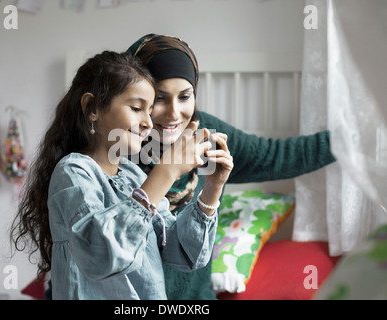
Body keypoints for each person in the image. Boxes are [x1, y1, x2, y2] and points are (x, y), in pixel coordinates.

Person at [125, 33, 337, 300]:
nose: (173, 113)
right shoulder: (113, 148)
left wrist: (348, 138)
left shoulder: (207, 136)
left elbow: (278, 156)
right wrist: (167, 170)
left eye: (185, 97)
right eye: (159, 98)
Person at [9, 50, 234, 299]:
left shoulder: (131, 176)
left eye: (149, 111)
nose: (149, 122)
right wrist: (166, 170)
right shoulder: (73, 173)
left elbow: (182, 253)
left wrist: (213, 190)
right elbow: (101, 256)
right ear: (92, 107)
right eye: (137, 108)